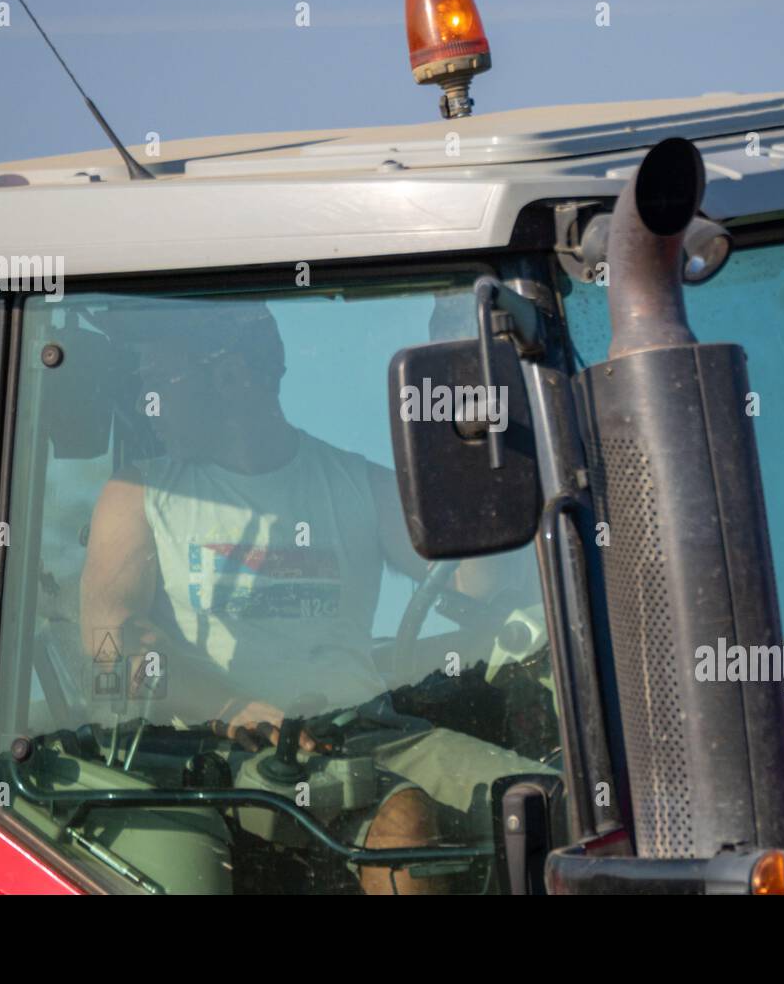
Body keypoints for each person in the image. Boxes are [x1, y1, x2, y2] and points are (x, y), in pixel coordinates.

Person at [79, 296, 552, 894]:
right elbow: (107, 642)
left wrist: (469, 431)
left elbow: (479, 583)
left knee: (552, 801)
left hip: (375, 732)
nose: (148, 405)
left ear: (230, 376)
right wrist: (228, 708)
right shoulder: (140, 493)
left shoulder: (358, 484)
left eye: (157, 382)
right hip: (227, 755)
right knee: (401, 823)